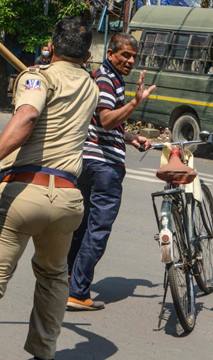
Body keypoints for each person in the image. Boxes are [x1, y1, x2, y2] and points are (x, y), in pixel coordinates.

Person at [0, 17, 99, 360]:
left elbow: (26, 118)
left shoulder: (38, 77)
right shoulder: (91, 88)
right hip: (67, 198)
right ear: (86, 54)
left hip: (25, 191)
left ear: (51, 46)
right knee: (53, 277)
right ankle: (43, 352)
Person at [66, 33, 156, 311]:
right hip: (103, 167)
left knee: (80, 227)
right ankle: (78, 292)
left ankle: (68, 280)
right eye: (124, 55)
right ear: (110, 53)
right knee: (98, 228)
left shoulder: (106, 77)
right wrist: (134, 104)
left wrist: (130, 138)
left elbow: (101, 121)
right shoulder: (107, 79)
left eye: (133, 57)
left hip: (90, 162)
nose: (129, 61)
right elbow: (105, 120)